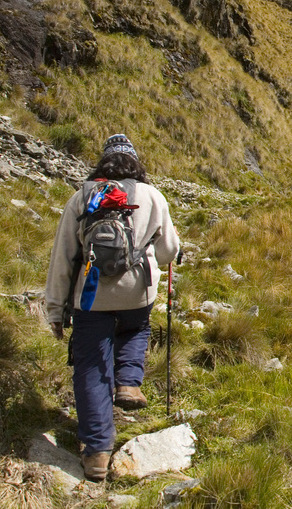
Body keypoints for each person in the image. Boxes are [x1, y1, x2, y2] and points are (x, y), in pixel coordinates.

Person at [45, 134, 180, 482]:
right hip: (137, 295)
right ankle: (128, 382)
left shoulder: (81, 197)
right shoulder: (152, 195)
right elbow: (167, 252)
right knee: (136, 329)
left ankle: (97, 455)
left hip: (90, 298)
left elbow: (63, 259)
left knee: (90, 366)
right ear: (135, 163)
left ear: (103, 163)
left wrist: (56, 311)